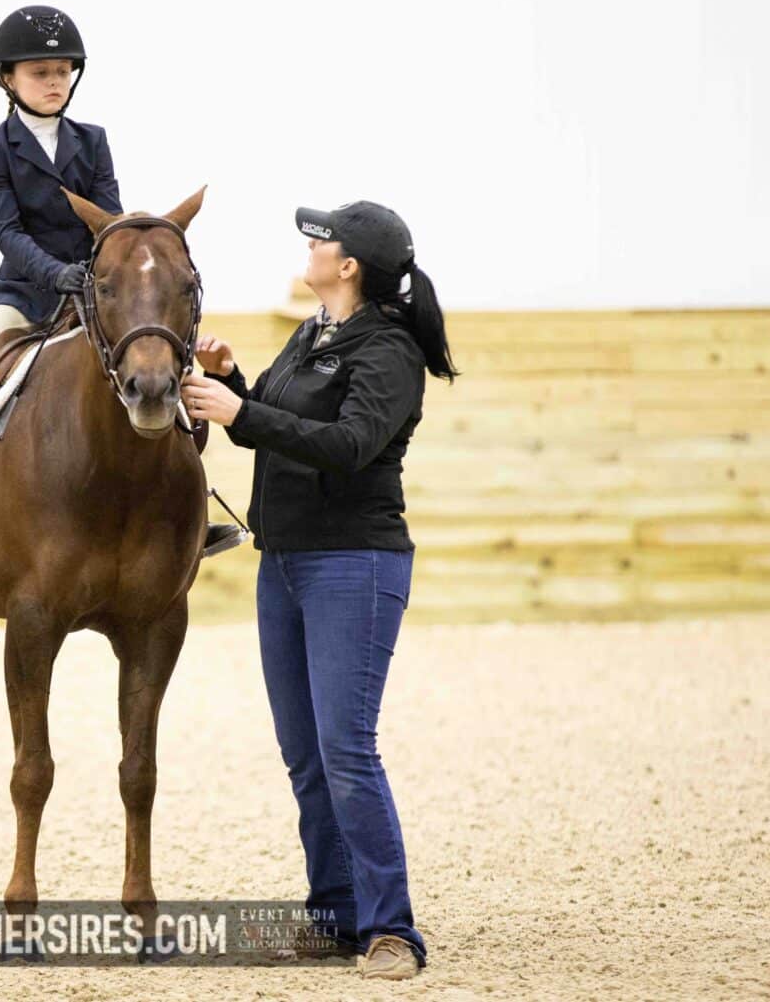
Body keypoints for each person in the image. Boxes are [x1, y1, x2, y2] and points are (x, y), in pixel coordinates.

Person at [182, 200, 458, 980]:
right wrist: (234, 382)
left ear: (351, 266)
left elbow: (349, 446)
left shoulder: (389, 351)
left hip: (354, 563)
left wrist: (242, 409)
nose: (310, 244)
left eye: (324, 238)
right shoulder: (314, 333)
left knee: (346, 748)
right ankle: (335, 913)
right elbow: (264, 419)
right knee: (305, 754)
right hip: (288, 562)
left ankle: (392, 929)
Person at [0, 4, 246, 558]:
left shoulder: (94, 139)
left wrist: (113, 274)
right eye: (40, 73)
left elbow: (108, 218)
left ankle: (190, 497)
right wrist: (56, 273)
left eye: (62, 72)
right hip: (25, 293)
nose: (54, 82)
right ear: (8, 79)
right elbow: (6, 231)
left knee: (152, 360)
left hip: (94, 294)